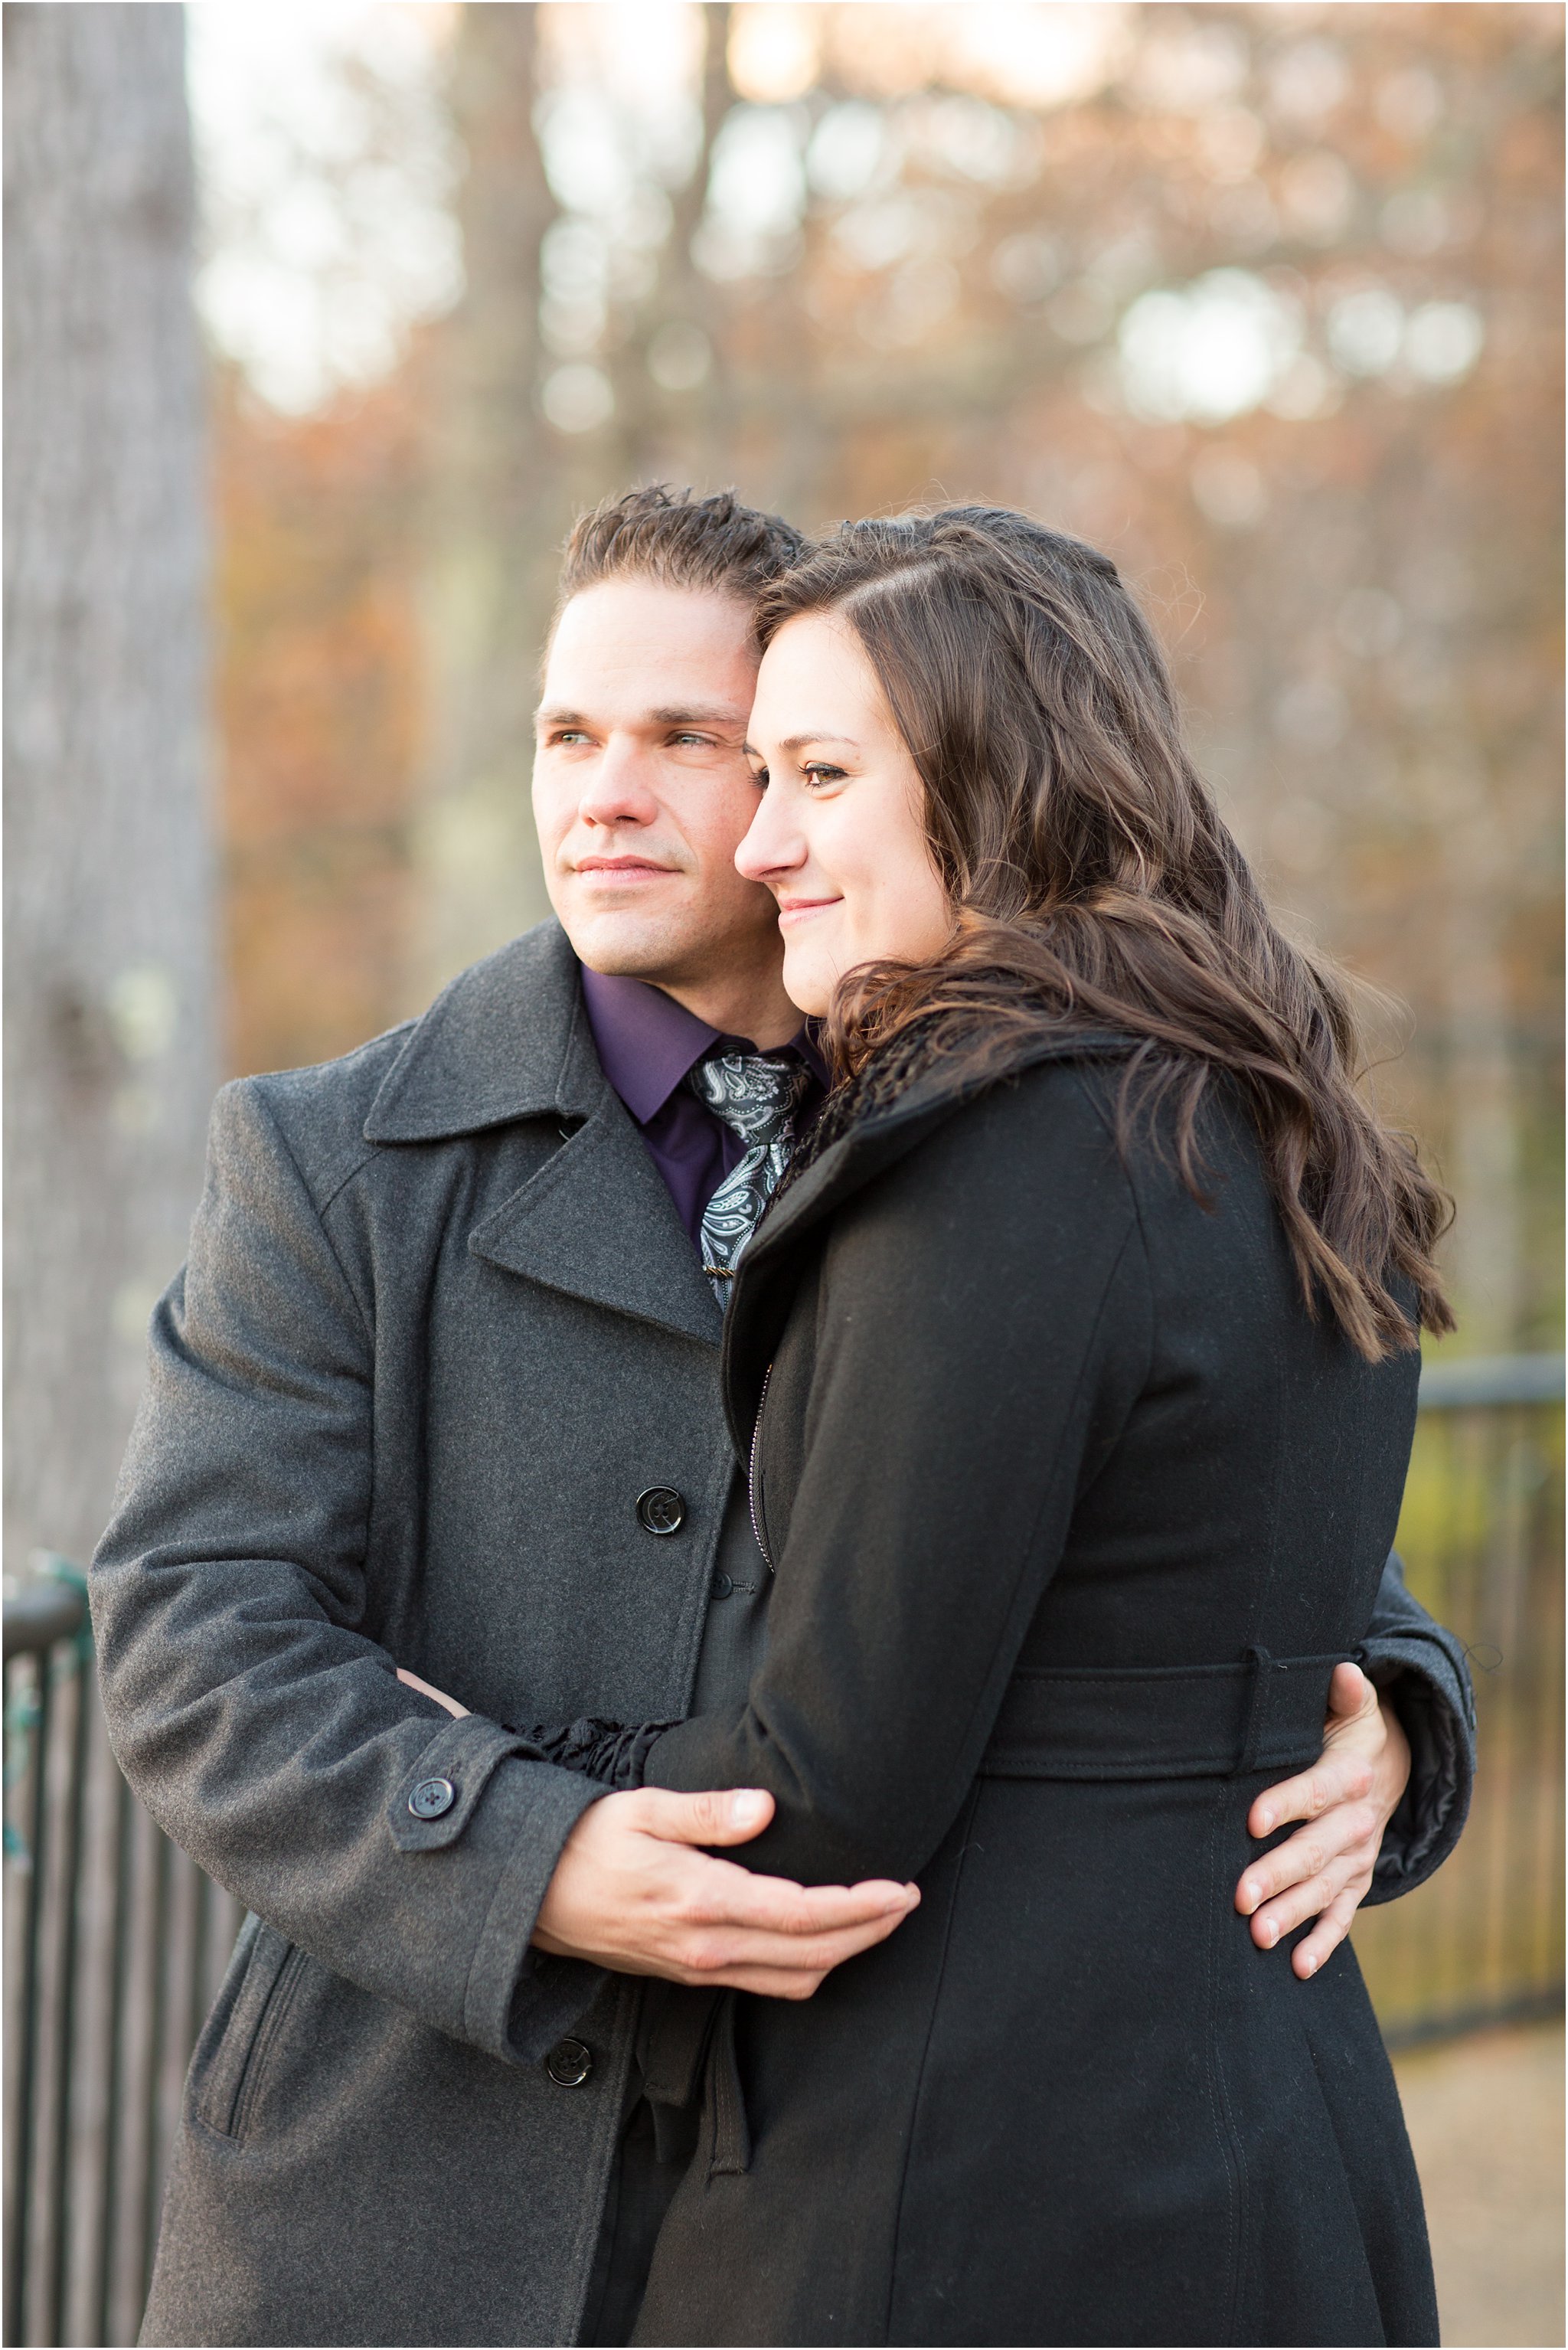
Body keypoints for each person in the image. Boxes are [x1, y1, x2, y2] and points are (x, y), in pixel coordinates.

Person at [89, 489, 1472, 2350]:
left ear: (898, 766)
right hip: (421, 2181)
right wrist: (525, 1843)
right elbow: (191, 1634)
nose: (607, 795)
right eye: (567, 734)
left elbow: (1199, 1480)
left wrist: (1385, 1703)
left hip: (878, 2171)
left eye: (696, 742)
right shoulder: (335, 1157)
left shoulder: (1026, 1111)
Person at [508, 505, 1457, 2347]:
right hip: (1273, 2105)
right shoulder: (1268, 1111)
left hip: (981, 2172)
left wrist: (494, 1763)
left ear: (998, 780)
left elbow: (824, 1779)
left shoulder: (1000, 1152)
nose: (763, 840)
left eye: (819, 775)